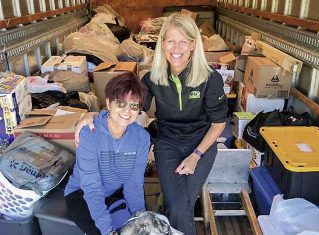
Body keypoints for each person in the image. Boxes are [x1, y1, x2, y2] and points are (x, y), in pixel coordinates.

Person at [76, 13, 227, 235]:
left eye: (183, 41)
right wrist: (94, 116)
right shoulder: (153, 77)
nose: (176, 48)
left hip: (202, 144)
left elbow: (218, 124)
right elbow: (129, 108)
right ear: (162, 43)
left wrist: (195, 155)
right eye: (171, 41)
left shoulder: (210, 78)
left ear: (194, 45)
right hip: (168, 143)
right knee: (178, 204)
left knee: (179, 203)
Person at [65, 72, 150, 235]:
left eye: (134, 105)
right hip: (82, 193)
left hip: (116, 191)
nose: (127, 111)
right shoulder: (89, 133)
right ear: (109, 102)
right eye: (120, 103)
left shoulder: (142, 138)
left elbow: (134, 184)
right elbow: (92, 187)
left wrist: (140, 220)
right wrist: (107, 230)